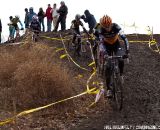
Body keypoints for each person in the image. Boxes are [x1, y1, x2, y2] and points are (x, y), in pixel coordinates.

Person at [95, 15, 129, 97]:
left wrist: (127, 52)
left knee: (121, 59)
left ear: (111, 24)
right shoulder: (100, 30)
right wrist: (105, 54)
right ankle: (109, 89)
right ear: (102, 25)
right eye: (105, 26)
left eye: (109, 26)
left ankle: (121, 75)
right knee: (108, 68)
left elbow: (125, 38)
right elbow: (100, 43)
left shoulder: (116, 26)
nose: (107, 28)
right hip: (106, 46)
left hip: (116, 45)